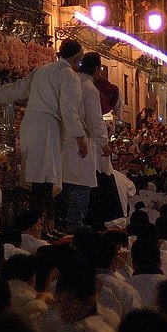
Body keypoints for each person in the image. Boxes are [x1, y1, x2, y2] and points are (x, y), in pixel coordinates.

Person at [0, 39, 87, 231]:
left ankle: (41, 225)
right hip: (47, 127)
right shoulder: (68, 75)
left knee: (39, 179)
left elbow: (18, 89)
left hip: (30, 126)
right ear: (76, 58)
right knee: (45, 180)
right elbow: (68, 109)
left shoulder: (42, 70)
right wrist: (79, 136)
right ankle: (40, 225)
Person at [61, 52, 109, 232]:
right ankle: (74, 224)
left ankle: (62, 221)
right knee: (81, 183)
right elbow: (95, 119)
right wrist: (103, 143)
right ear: (97, 69)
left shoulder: (70, 82)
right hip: (80, 140)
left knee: (67, 181)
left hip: (64, 139)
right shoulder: (89, 88)